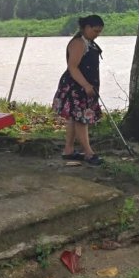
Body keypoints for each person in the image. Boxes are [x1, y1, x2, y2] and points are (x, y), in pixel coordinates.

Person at [53, 15, 105, 166]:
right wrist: (87, 86)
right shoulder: (78, 43)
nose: (97, 34)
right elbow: (73, 67)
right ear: (86, 27)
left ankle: (68, 150)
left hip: (84, 86)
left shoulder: (89, 42)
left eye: (100, 32)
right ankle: (89, 153)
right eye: (95, 31)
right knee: (81, 119)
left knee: (74, 118)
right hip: (76, 87)